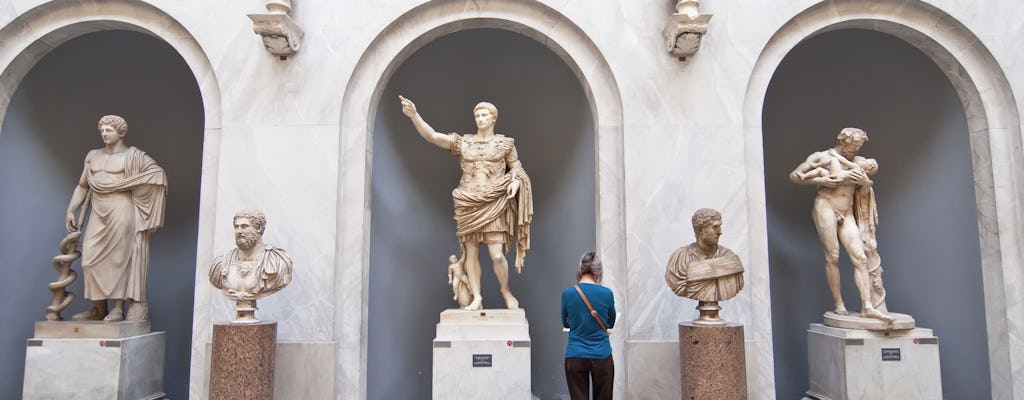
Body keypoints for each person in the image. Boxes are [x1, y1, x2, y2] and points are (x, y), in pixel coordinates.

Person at [399, 95, 534, 311]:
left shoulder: (506, 144)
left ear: (493, 118)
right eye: (477, 115)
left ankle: (505, 290)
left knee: (497, 255)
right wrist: (415, 116)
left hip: (494, 201)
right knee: (471, 252)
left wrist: (516, 183)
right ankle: (477, 297)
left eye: (484, 115)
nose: (479, 119)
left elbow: (518, 169)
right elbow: (433, 136)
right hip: (467, 201)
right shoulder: (464, 142)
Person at [66, 115, 167, 322]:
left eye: (109, 130)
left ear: (120, 132)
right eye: (102, 130)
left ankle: (118, 308)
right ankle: (98, 307)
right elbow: (83, 186)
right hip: (98, 210)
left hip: (121, 210)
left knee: (119, 259)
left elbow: (157, 175)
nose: (104, 133)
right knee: (89, 259)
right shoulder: (93, 156)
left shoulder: (133, 156)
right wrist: (71, 210)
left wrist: (132, 183)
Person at [789, 127, 893, 323]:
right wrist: (822, 180)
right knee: (833, 255)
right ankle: (839, 303)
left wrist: (865, 182)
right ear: (843, 142)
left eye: (859, 146)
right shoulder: (823, 157)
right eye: (853, 145)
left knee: (860, 257)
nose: (855, 149)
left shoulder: (860, 163)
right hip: (825, 206)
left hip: (847, 211)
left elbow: (862, 193)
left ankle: (867, 306)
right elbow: (795, 175)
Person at [209, 209, 293, 323]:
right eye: (236, 227)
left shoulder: (276, 261)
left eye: (244, 226)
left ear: (259, 228)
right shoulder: (221, 263)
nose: (239, 231)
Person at [665, 208, 744, 324]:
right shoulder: (679, 259)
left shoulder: (729, 258)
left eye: (720, 227)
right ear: (702, 229)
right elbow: (679, 284)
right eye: (715, 227)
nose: (720, 232)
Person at [561, 251, 616, 400]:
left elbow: (565, 322)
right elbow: (611, 322)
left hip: (575, 354)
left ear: (580, 269)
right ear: (599, 271)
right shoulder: (607, 293)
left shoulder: (568, 294)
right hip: (602, 355)